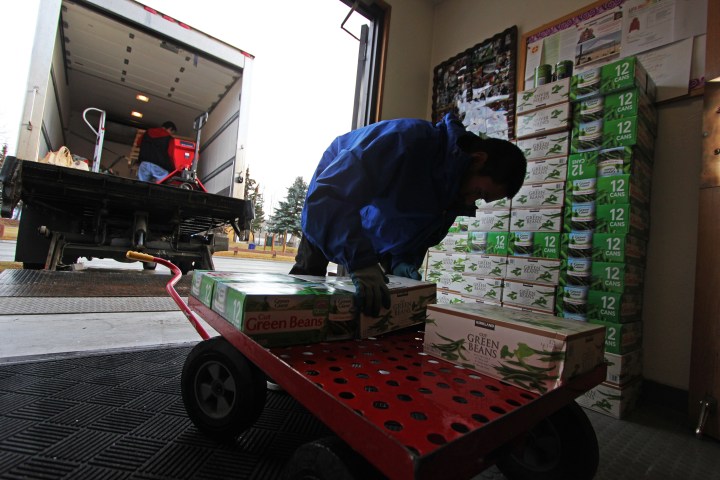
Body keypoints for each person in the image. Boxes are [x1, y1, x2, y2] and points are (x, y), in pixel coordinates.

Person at [290, 113, 527, 316]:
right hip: (333, 194)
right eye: (478, 192)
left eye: (479, 199)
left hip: (379, 211)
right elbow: (330, 198)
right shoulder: (406, 140)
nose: (470, 201)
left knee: (376, 303)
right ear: (477, 159)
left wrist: (402, 261)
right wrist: (361, 263)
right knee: (308, 282)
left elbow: (413, 232)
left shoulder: (453, 192)